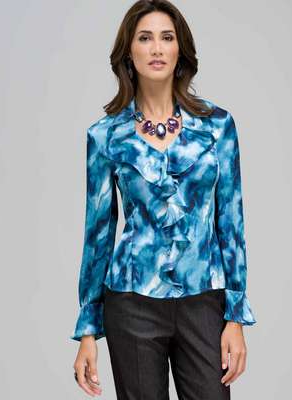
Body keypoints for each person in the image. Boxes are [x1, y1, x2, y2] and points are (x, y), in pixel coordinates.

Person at [71, 1, 256, 398]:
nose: (156, 48)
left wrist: (236, 315)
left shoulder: (218, 127)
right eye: (145, 38)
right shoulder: (105, 136)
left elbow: (231, 222)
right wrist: (88, 329)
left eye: (167, 38)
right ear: (128, 52)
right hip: (131, 302)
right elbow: (98, 233)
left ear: (179, 50)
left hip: (204, 300)